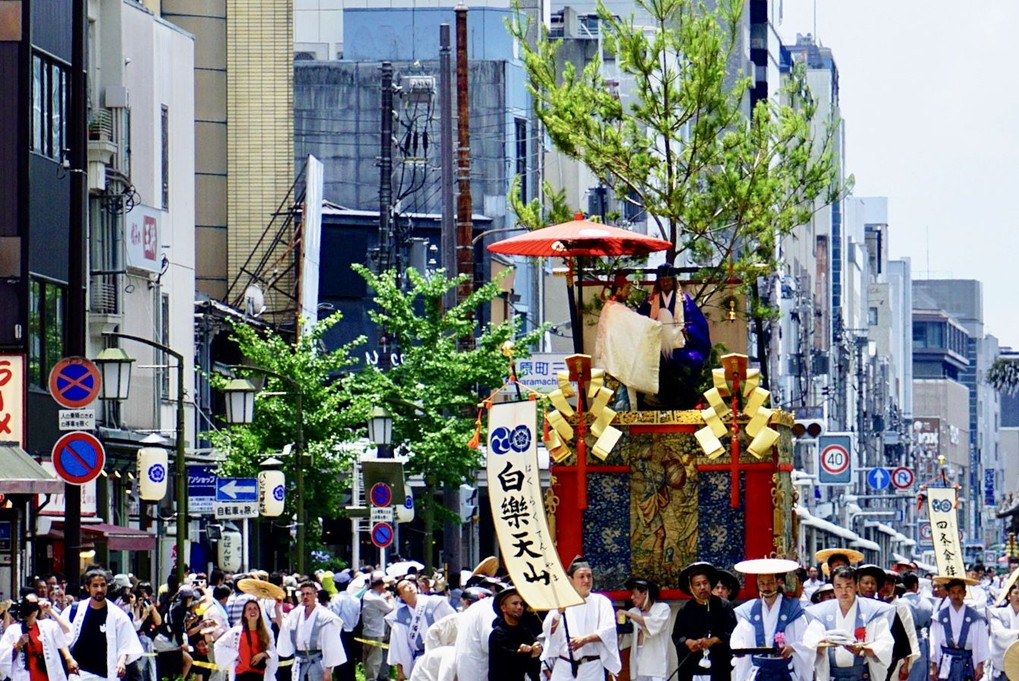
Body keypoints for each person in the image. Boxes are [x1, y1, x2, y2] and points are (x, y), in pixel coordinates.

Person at [802, 565, 894, 681]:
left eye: (848, 586)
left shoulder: (871, 611)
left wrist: (862, 649)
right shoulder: (823, 613)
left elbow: (885, 644)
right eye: (838, 586)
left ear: (856, 586)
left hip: (862, 674)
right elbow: (808, 643)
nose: (843, 591)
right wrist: (822, 644)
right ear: (833, 588)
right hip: (832, 675)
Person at [540, 556, 621, 681]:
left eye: (589, 576)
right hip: (565, 665)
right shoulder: (563, 601)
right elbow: (548, 629)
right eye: (581, 576)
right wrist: (558, 614)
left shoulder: (602, 602)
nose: (586, 580)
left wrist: (585, 639)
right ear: (571, 579)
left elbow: (609, 630)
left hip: (591, 666)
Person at [730, 559, 811, 681]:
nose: (766, 587)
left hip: (783, 670)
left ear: (778, 582)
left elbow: (806, 638)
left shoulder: (793, 609)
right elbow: (739, 637)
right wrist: (740, 647)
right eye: (762, 583)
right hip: (759, 671)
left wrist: (793, 647)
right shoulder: (750, 610)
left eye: (769, 583)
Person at [67, 567, 145, 681]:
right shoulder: (75, 610)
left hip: (105, 675)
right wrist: (69, 658)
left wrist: (121, 662)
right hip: (79, 674)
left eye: (103, 585)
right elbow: (61, 637)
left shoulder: (117, 614)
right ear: (87, 588)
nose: (100, 589)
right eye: (95, 586)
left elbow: (126, 643)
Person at [670, 561, 736, 681]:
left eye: (705, 583)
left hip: (718, 664)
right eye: (697, 584)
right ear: (691, 588)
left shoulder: (724, 606)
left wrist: (713, 640)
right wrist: (688, 642)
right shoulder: (685, 609)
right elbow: (677, 635)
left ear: (710, 584)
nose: (702, 587)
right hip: (691, 665)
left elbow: (733, 633)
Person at [386, 577, 456, 681]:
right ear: (401, 596)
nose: (409, 586)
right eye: (404, 587)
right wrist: (400, 672)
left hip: (442, 655)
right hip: (420, 659)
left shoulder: (435, 603)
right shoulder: (400, 616)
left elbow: (454, 625)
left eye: (410, 583)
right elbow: (399, 647)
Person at [856, 565, 918, 681]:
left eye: (872, 583)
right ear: (857, 585)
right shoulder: (851, 607)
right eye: (865, 583)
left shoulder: (887, 609)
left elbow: (901, 641)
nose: (869, 586)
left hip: (880, 664)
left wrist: (903, 664)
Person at [277, 581, 346, 681]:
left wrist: (328, 670)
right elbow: (284, 628)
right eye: (303, 594)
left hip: (316, 662)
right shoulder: (296, 613)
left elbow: (331, 644)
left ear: (315, 595)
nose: (305, 597)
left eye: (308, 593)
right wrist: (278, 608)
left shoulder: (325, 616)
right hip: (299, 662)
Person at [0, 594, 78, 681]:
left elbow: (67, 631)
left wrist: (50, 611)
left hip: (47, 675)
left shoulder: (47, 626)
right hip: (24, 676)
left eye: (34, 605)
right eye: (28, 605)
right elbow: (3, 658)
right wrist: (18, 646)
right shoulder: (13, 630)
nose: (32, 609)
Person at [929, 576, 989, 681]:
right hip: (946, 662)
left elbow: (981, 643)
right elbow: (934, 643)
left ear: (965, 593)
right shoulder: (939, 617)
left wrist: (980, 665)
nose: (956, 596)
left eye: (959, 592)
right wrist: (934, 665)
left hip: (967, 661)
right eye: (953, 592)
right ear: (948, 593)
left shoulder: (975, 617)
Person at [616, 577, 670, 681]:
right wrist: (621, 625)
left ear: (645, 593)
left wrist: (629, 614)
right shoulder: (634, 611)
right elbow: (625, 639)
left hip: (656, 664)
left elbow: (653, 624)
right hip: (638, 661)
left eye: (634, 594)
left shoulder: (662, 609)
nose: (632, 597)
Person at [213, 599, 279, 681]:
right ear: (244, 614)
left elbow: (273, 652)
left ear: (259, 612)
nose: (252, 611)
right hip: (241, 674)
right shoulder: (236, 631)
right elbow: (218, 645)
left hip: (261, 675)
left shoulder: (267, 632)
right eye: (249, 609)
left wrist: (263, 654)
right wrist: (234, 654)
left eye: (255, 608)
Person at [489, 585, 541, 681]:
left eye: (521, 604)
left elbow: (533, 665)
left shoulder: (525, 631)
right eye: (515, 603)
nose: (519, 607)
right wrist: (525, 652)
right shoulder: (498, 633)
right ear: (503, 608)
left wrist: (536, 650)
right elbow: (507, 661)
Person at [360, 572, 394, 681]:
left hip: (367, 631)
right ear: (380, 585)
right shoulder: (377, 599)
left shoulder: (368, 594)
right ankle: (371, 679)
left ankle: (371, 678)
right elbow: (390, 609)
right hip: (376, 632)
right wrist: (389, 598)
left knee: (368, 658)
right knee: (375, 660)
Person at [899, 573, 933, 681]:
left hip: (905, 644)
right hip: (924, 642)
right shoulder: (927, 603)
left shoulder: (898, 604)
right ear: (915, 585)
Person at [988, 567, 1019, 681]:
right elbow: (999, 634)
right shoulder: (997, 613)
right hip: (1002, 666)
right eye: (1016, 593)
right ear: (1009, 596)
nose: (1018, 597)